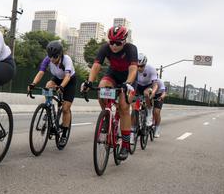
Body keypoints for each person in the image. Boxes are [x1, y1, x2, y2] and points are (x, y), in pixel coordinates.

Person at [81, 25, 138, 161]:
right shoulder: (105, 48)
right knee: (101, 88)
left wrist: (128, 83)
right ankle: (106, 115)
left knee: (124, 107)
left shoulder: (131, 49)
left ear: (124, 41)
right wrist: (89, 81)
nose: (114, 46)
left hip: (128, 78)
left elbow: (133, 69)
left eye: (118, 43)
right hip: (113, 74)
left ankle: (124, 144)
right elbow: (96, 66)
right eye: (111, 42)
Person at [27, 40, 76, 149]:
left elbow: (67, 76)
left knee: (65, 108)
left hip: (69, 81)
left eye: (55, 57)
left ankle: (64, 134)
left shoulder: (66, 59)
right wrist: (33, 83)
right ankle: (48, 105)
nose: (52, 59)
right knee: (48, 84)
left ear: (60, 54)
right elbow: (40, 72)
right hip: (58, 79)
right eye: (51, 57)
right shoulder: (48, 59)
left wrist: (62, 87)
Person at [132, 53, 159, 139]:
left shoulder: (151, 69)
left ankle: (149, 113)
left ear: (145, 64)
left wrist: (153, 92)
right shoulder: (133, 68)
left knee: (146, 93)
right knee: (133, 108)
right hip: (137, 85)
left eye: (141, 66)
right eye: (137, 66)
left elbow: (155, 84)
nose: (139, 68)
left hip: (148, 86)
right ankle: (133, 131)